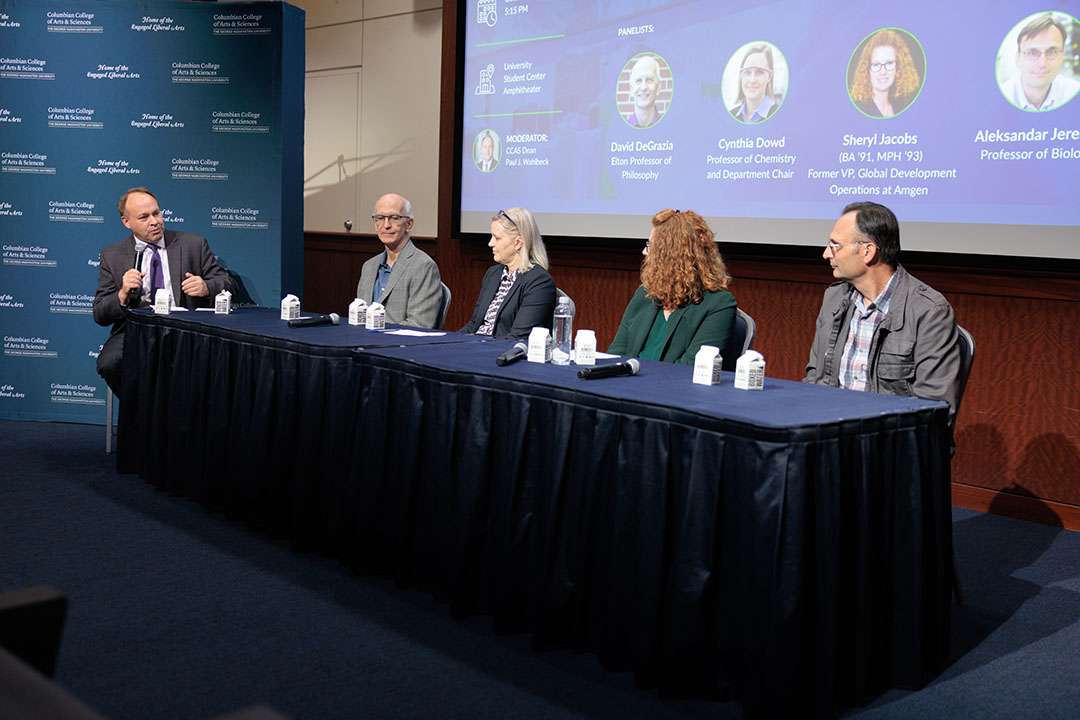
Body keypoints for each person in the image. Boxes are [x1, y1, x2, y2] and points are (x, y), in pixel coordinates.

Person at [804, 202, 962, 429]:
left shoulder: (929, 311)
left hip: (888, 446)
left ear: (867, 252)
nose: (826, 253)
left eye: (835, 245)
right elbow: (815, 380)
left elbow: (933, 409)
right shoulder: (834, 299)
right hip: (831, 438)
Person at [93, 187, 234, 397]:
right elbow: (100, 314)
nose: (155, 221)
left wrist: (206, 288)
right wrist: (122, 293)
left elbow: (228, 283)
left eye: (156, 213)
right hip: (136, 330)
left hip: (185, 328)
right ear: (126, 222)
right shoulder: (112, 255)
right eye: (144, 217)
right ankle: (144, 414)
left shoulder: (193, 244)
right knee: (110, 364)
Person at [608, 209, 736, 365]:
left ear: (671, 256)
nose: (644, 252)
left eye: (650, 246)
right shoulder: (645, 294)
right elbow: (616, 354)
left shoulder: (718, 305)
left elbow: (690, 369)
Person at [460, 207, 556, 341]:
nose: (490, 243)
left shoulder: (539, 282)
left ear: (518, 243)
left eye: (497, 238)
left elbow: (519, 337)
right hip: (474, 347)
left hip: (500, 354)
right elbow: (474, 325)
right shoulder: (493, 274)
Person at [356, 193, 443, 328]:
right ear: (375, 224)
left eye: (394, 218)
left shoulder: (423, 266)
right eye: (380, 218)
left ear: (409, 224)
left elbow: (419, 325)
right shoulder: (369, 267)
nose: (386, 225)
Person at [1001, 13, 1080, 112]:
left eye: (1051, 52)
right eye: (1032, 53)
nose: (1042, 63)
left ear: (1062, 56)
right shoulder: (999, 97)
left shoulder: (1074, 93)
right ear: (1018, 59)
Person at [849, 29, 922, 118]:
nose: (883, 72)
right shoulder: (857, 109)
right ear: (867, 69)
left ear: (899, 67)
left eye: (889, 63)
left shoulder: (901, 107)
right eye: (876, 65)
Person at [730, 44, 781, 123]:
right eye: (747, 72)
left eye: (759, 72)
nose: (752, 80)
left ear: (770, 77)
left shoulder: (781, 117)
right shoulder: (730, 116)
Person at [626, 55, 663, 127]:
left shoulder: (668, 128)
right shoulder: (620, 130)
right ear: (631, 89)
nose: (643, 88)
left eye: (649, 80)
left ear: (658, 87)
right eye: (638, 80)